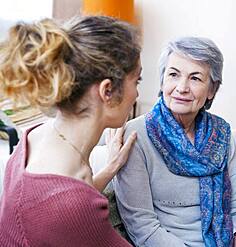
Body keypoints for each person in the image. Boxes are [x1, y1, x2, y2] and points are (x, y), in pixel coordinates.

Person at [0, 16, 142, 246]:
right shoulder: (69, 204)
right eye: (137, 80)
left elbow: (57, 209)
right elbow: (67, 209)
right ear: (107, 91)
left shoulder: (34, 136)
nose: (136, 94)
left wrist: (111, 168)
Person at [114, 37, 236, 247]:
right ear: (162, 82)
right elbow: (142, 226)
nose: (182, 87)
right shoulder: (136, 136)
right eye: (173, 75)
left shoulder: (221, 134)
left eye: (195, 78)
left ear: (212, 90)